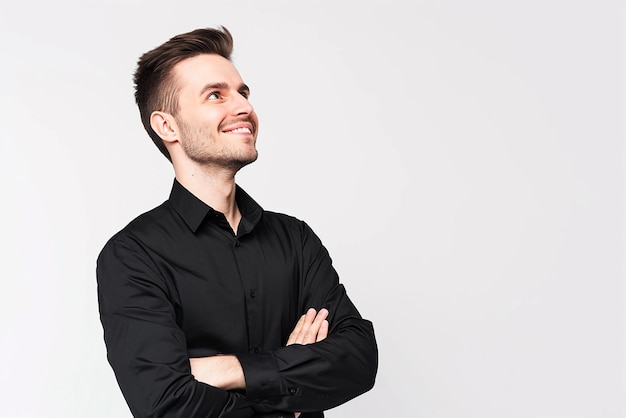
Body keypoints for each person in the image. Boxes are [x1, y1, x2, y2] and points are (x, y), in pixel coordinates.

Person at [96, 26, 378, 418]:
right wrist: (290, 386)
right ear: (167, 126)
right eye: (216, 95)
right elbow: (166, 403)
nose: (243, 107)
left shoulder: (295, 239)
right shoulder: (133, 255)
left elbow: (359, 359)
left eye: (243, 92)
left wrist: (229, 370)